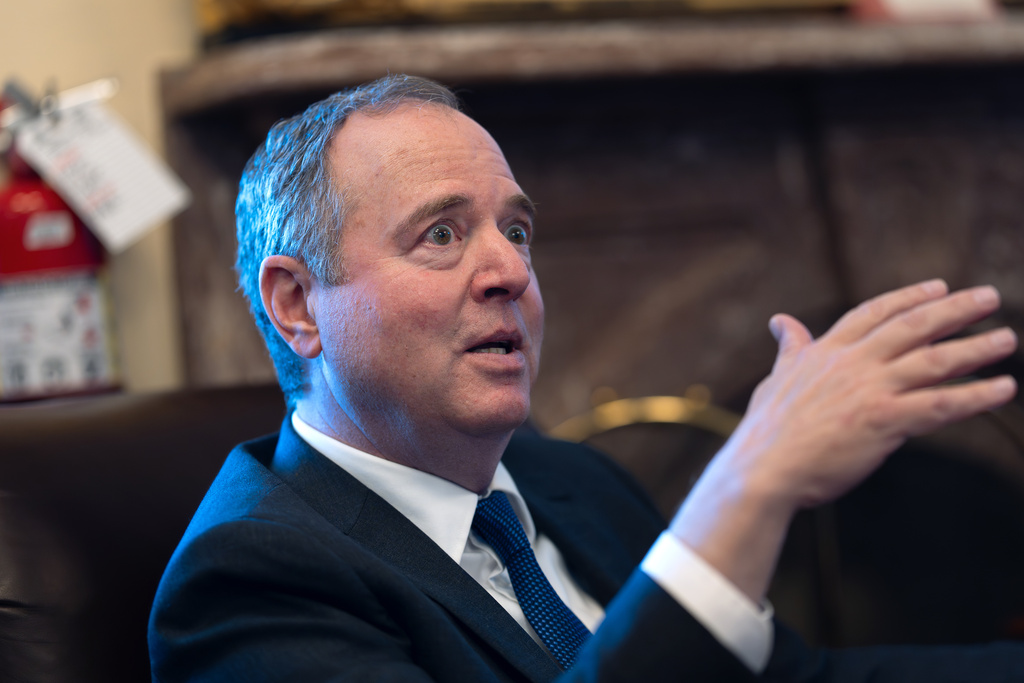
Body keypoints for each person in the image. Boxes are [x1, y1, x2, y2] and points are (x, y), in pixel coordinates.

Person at [148, 74, 1024, 682]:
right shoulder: (250, 583)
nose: (509, 273)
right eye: (442, 235)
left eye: (516, 232)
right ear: (299, 304)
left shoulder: (568, 481)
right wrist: (746, 487)